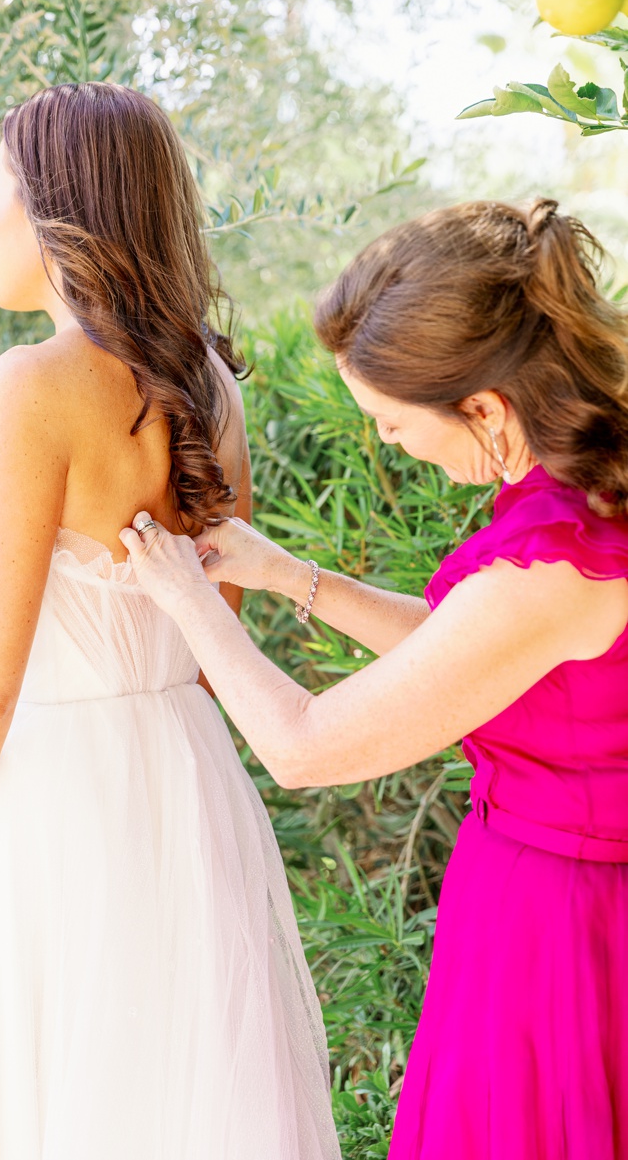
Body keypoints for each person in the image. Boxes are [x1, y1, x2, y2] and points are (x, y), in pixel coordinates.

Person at [120, 198, 628, 1159]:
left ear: (483, 407)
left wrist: (184, 599)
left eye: (392, 422)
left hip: (560, 945)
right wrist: (284, 573)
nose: (387, 442)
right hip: (543, 904)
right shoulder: (577, 491)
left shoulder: (557, 564)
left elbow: (305, 748)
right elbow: (466, 649)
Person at [0, 81, 341, 1159]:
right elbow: (212, 638)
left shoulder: (30, 386)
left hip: (49, 803)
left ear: (56, 213)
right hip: (186, 789)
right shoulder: (209, 387)